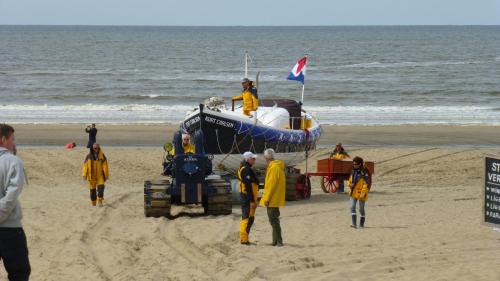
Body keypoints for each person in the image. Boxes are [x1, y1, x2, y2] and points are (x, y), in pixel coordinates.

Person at [0, 124, 31, 280]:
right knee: (19, 273)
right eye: (12, 139)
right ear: (3, 139)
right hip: (10, 228)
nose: (14, 142)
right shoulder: (13, 161)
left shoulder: (12, 158)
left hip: (9, 226)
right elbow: (12, 193)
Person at [260, 148, 286, 247]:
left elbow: (271, 185)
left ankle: (279, 241)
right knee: (274, 220)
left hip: (272, 199)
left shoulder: (274, 168)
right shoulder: (275, 166)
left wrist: (267, 198)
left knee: (274, 221)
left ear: (266, 157)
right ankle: (275, 241)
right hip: (274, 198)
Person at [237, 151, 259, 245]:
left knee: (249, 217)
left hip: (246, 196)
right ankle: (244, 239)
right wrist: (252, 201)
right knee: (247, 217)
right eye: (253, 158)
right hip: (247, 197)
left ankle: (244, 238)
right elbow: (248, 186)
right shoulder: (246, 170)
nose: (254, 160)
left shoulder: (244, 167)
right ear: (248, 159)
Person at [347, 156, 371, 229]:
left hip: (361, 194)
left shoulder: (364, 172)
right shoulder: (353, 171)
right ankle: (354, 224)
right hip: (353, 192)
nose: (354, 165)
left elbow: (366, 184)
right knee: (352, 207)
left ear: (360, 164)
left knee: (361, 209)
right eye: (353, 164)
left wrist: (362, 194)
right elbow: (349, 180)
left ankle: (361, 224)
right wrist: (349, 184)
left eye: (356, 164)